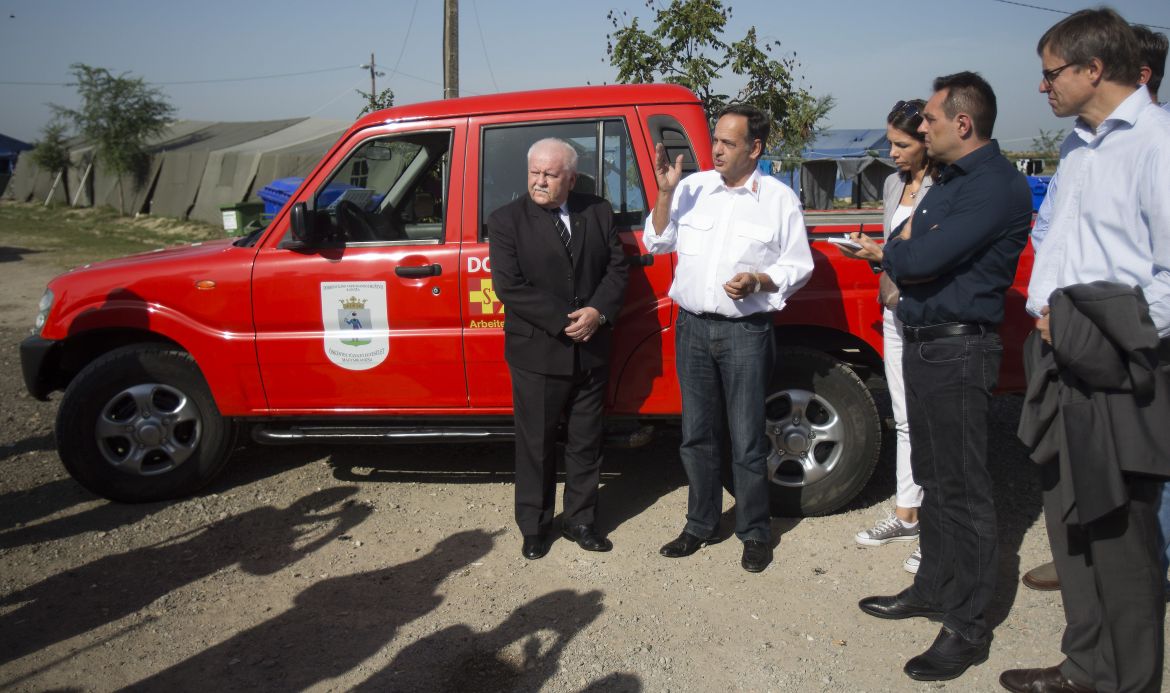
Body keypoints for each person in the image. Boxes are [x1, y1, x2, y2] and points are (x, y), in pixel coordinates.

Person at [1001, 10, 1170, 693]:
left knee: (1122, 539)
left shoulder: (1155, 145)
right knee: (1070, 524)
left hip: (1119, 367)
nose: (1042, 88)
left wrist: (1103, 332)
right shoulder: (1076, 147)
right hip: (1059, 359)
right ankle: (1085, 666)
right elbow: (1052, 237)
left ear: (1092, 69)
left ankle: (1127, 680)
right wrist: (1051, 317)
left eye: (1050, 74)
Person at [857, 72, 1032, 683]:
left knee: (964, 489)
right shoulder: (952, 181)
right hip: (927, 344)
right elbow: (912, 242)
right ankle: (933, 587)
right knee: (934, 478)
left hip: (959, 350)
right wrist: (908, 251)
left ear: (963, 122)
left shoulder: (996, 186)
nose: (921, 127)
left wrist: (899, 256)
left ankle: (967, 626)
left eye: (929, 118)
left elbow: (915, 254)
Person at [644, 104, 813, 573]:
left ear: (755, 148)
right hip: (692, 326)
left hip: (745, 332)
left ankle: (754, 531)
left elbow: (799, 265)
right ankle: (700, 524)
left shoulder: (778, 199)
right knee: (696, 434)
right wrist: (663, 193)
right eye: (715, 139)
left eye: (728, 142)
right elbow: (656, 242)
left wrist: (759, 280)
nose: (716, 149)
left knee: (746, 438)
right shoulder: (692, 188)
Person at [487, 137, 628, 560]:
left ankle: (581, 520)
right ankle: (534, 525)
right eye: (535, 173)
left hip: (592, 349)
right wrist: (567, 322)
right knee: (537, 444)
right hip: (539, 352)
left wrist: (598, 312)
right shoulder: (506, 220)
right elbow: (510, 287)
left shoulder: (597, 211)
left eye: (550, 174)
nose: (540, 181)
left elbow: (617, 269)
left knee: (586, 442)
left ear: (571, 177)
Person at [843, 98, 935, 575]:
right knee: (902, 416)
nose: (893, 153)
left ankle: (939, 529)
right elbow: (894, 250)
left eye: (902, 144)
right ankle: (907, 513)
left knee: (933, 419)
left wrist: (885, 255)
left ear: (927, 140)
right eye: (891, 144)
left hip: (934, 315)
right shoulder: (893, 184)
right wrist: (875, 256)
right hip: (897, 310)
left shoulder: (947, 187)